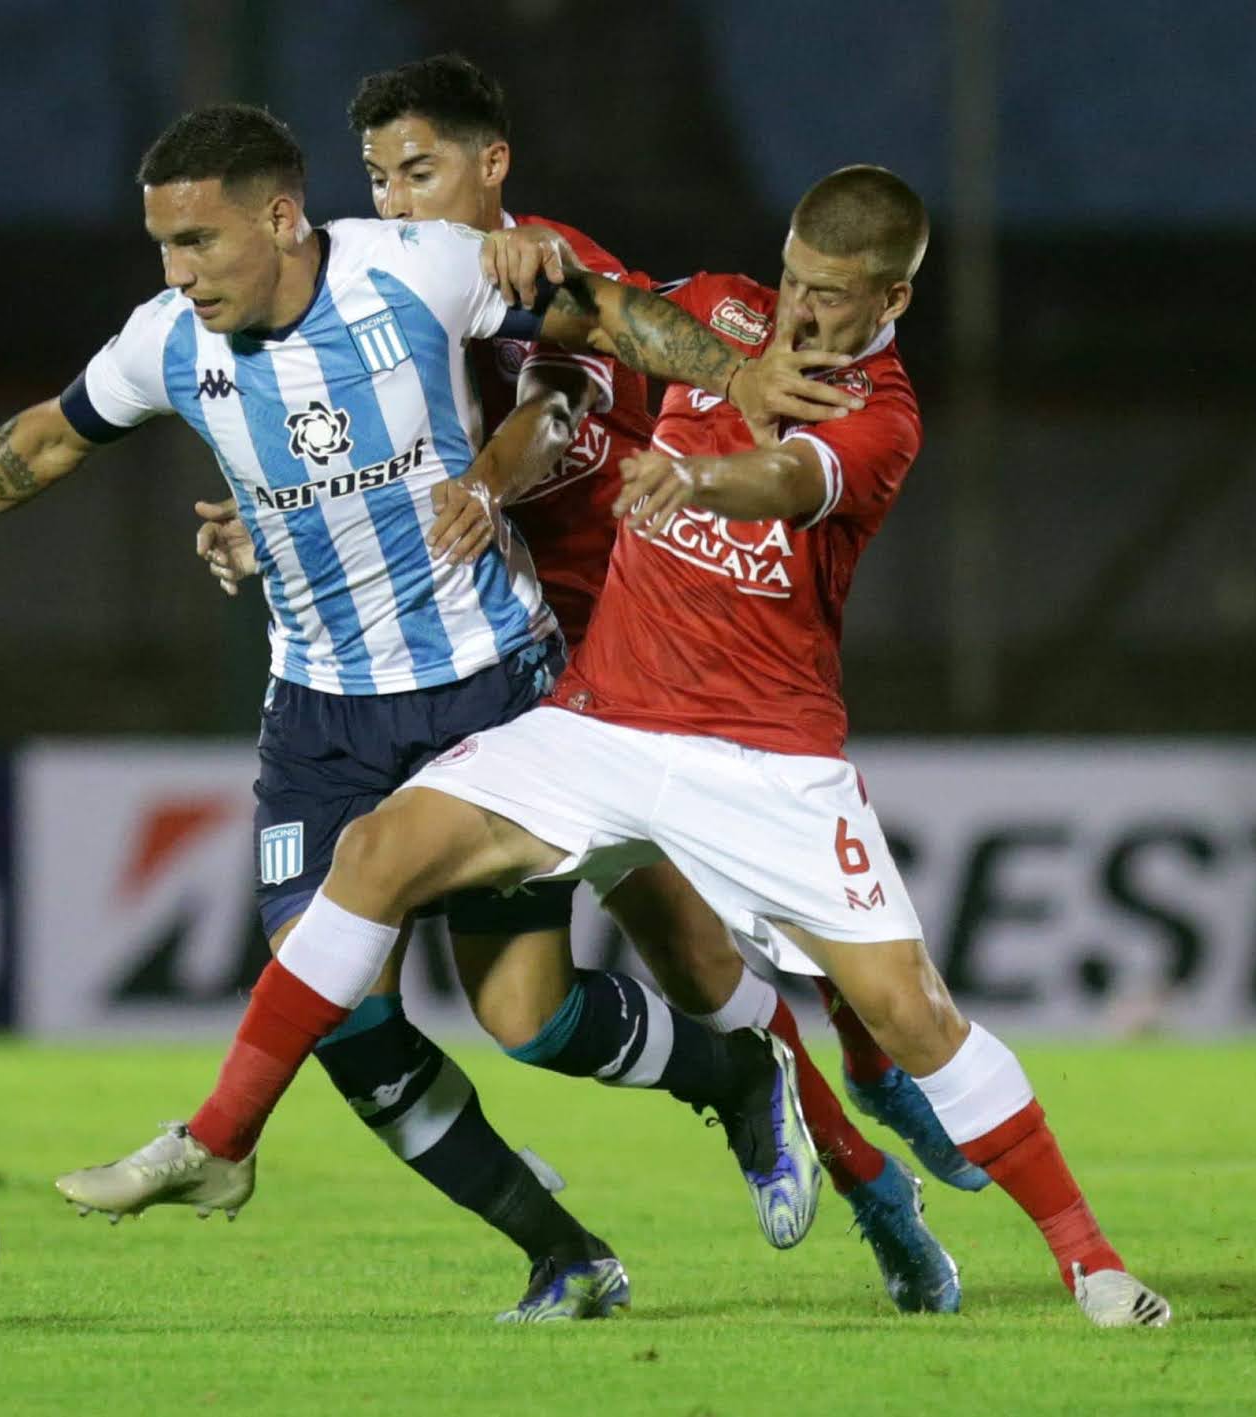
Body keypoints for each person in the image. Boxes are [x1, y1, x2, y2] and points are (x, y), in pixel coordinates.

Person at [0, 102, 845, 1322]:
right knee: (333, 1010)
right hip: (320, 720)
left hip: (482, 689)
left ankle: (732, 1077)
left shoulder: (411, 272)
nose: (179, 274)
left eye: (199, 243)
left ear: (281, 217)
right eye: (161, 249)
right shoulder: (166, 342)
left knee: (526, 1019)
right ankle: (565, 1257)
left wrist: (738, 371)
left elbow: (597, 313)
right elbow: (43, 441)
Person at [108, 164, 1174, 1329]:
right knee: (370, 857)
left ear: (892, 305)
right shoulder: (718, 313)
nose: (800, 314)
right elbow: (585, 310)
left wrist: (696, 478)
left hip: (762, 757)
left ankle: (1086, 1258)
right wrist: (516, 253)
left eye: (831, 297)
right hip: (599, 721)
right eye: (792, 280)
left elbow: (788, 477)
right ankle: (218, 1136)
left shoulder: (881, 420)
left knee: (909, 1012)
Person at [192, 55, 974, 1314]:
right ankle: (822, 1171)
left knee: (753, 952)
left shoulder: (545, 267)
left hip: (638, 645)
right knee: (588, 986)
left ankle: (869, 1140)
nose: (395, 200)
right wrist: (255, 526)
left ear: (490, 166)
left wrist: (494, 476)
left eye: (421, 170)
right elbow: (341, 468)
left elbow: (560, 399)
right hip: (503, 673)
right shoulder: (367, 291)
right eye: (379, 177)